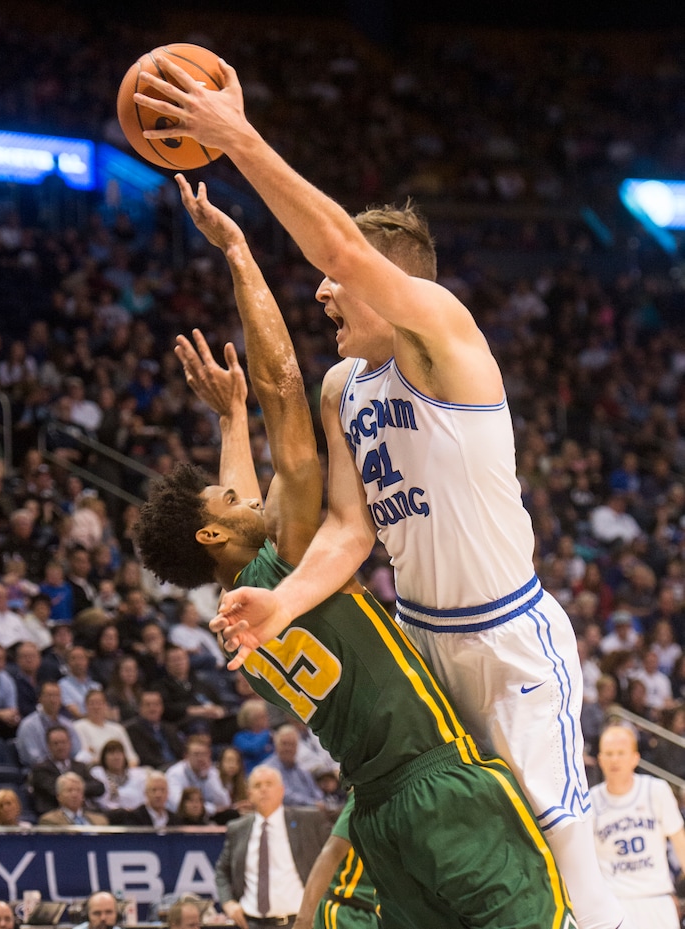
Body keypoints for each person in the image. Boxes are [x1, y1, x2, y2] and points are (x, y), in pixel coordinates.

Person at [135, 59, 621, 929]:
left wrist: (235, 138)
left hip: (506, 632)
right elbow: (349, 534)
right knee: (486, 872)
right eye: (322, 281)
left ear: (398, 289)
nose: (322, 289)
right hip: (426, 643)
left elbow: (340, 250)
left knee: (563, 850)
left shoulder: (446, 340)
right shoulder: (342, 389)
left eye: (338, 281)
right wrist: (283, 600)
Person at [590, 725, 685, 929]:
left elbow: (680, 842)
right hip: (615, 903)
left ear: (635, 757)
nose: (614, 759)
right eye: (609, 754)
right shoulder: (590, 802)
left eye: (620, 753)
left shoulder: (656, 790)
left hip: (656, 898)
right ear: (600, 759)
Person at [215, 765, 331, 929]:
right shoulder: (237, 828)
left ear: (281, 790)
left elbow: (332, 864)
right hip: (250, 923)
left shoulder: (309, 820)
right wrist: (228, 902)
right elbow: (222, 871)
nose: (263, 789)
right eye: (257, 785)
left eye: (269, 784)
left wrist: (322, 905)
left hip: (298, 922)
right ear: (249, 794)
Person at [293, 794, 378, 929]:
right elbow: (332, 853)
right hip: (348, 912)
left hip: (385, 911)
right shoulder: (369, 793)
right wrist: (303, 921)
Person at [28, 725, 105, 816]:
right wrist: (80, 789)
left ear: (70, 743)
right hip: (57, 814)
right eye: (56, 743)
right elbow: (55, 791)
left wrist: (77, 788)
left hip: (86, 812)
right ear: (48, 746)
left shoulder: (79, 766)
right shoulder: (41, 769)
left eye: (63, 742)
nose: (60, 747)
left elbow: (99, 787)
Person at [15, 679, 82, 767]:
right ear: (40, 698)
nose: (53, 700)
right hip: (41, 772)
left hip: (68, 769)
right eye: (49, 695)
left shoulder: (67, 724)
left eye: (57, 696)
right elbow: (32, 758)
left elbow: (76, 752)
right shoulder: (28, 725)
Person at [165, 735, 231, 818]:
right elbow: (178, 804)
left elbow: (224, 803)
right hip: (179, 819)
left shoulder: (211, 772)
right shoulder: (175, 774)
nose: (200, 758)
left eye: (204, 754)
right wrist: (213, 809)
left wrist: (207, 777)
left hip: (205, 819)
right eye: (196, 754)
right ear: (186, 756)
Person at [73, 689, 139, 767]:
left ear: (105, 705)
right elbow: (84, 756)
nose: (96, 707)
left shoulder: (117, 728)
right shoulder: (78, 727)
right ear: (86, 706)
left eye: (99, 703)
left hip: (123, 770)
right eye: (92, 703)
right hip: (96, 770)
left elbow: (132, 757)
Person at [265, 725, 324, 808]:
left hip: (310, 813)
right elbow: (284, 796)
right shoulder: (268, 770)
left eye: (292, 744)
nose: (288, 748)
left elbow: (316, 792)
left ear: (297, 747)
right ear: (276, 745)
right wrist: (313, 803)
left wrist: (320, 802)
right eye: (284, 744)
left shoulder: (301, 769)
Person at [124, 689, 185, 770]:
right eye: (147, 705)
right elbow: (145, 758)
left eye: (156, 704)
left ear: (162, 707)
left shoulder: (170, 728)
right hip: (154, 769)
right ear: (140, 707)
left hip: (177, 768)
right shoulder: (133, 729)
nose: (152, 708)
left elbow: (181, 752)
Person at [107, 770, 181, 828]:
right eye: (154, 790)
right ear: (146, 793)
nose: (158, 795)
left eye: (162, 790)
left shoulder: (175, 819)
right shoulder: (135, 817)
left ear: (168, 793)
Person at [90, 739, 148, 811]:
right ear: (104, 757)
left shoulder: (138, 774)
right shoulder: (97, 773)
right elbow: (101, 801)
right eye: (111, 753)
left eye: (119, 753)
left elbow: (144, 799)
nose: (116, 757)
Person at [38, 770, 109, 826]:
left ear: (83, 795)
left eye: (78, 790)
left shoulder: (101, 821)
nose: (74, 795)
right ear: (58, 796)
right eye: (69, 790)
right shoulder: (49, 821)